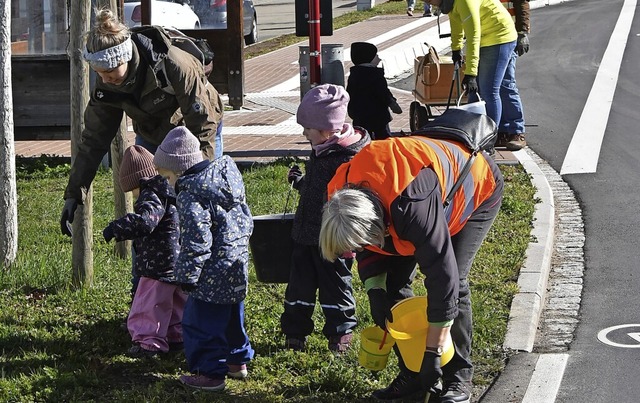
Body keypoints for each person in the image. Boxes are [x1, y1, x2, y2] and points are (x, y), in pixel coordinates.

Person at [319, 134, 504, 402]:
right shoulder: (341, 199)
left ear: (379, 227)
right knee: (394, 286)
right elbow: (368, 246)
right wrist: (375, 291)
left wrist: (433, 354)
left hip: (474, 185)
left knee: (457, 282)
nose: (356, 253)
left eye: (358, 247)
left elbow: (444, 278)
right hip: (406, 203)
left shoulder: (411, 207)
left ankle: (458, 378)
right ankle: (413, 374)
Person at [60, 8, 225, 238]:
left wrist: (198, 178)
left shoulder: (173, 64)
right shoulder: (107, 86)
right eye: (100, 73)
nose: (106, 79)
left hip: (195, 127)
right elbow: (93, 141)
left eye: (110, 71)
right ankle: (151, 270)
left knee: (200, 205)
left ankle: (209, 262)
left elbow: (202, 124)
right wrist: (74, 193)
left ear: (125, 57)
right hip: (152, 133)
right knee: (149, 210)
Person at [153, 126, 254, 392]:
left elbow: (197, 240)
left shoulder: (190, 194)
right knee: (233, 316)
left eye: (166, 176)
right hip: (236, 264)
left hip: (209, 273)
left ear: (177, 171)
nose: (167, 183)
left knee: (200, 323)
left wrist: (187, 276)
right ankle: (236, 362)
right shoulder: (226, 179)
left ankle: (210, 373)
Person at [281, 84, 371, 354]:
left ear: (327, 128)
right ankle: (295, 333)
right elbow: (318, 187)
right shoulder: (322, 148)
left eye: (307, 128)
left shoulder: (349, 157)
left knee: (336, 287)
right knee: (299, 286)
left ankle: (340, 333)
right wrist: (301, 183)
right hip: (305, 233)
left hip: (333, 239)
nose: (304, 133)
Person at [102, 145, 185, 358]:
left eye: (133, 191)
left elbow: (146, 222)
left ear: (139, 181)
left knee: (148, 306)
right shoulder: (168, 190)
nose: (135, 196)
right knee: (174, 302)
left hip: (156, 263)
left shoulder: (151, 193)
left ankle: (148, 344)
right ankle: (176, 337)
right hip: (175, 260)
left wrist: (117, 228)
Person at [427, 0, 517, 138]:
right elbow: (456, 24)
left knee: (489, 91)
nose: (430, 3)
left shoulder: (464, 1)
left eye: (429, 0)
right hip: (485, 37)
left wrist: (471, 74)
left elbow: (473, 36)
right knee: (474, 92)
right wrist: (456, 50)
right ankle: (474, 134)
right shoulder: (449, 3)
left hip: (499, 37)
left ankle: (490, 140)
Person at [346, 42, 403, 140]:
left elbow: (350, 94)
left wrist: (351, 111)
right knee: (383, 137)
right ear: (369, 58)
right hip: (378, 115)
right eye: (376, 56)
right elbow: (383, 92)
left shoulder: (354, 75)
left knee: (362, 137)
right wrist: (392, 103)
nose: (379, 58)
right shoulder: (376, 75)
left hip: (359, 115)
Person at [496, 0, 530, 151]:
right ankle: (503, 131)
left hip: (508, 38)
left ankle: (517, 131)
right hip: (489, 38)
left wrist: (522, 33)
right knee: (493, 87)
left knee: (506, 84)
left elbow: (521, 4)